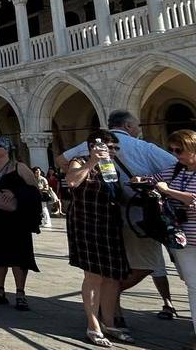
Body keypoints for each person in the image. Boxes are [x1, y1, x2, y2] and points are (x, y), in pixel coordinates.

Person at [60, 110, 180, 325]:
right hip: (133, 218)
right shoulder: (142, 147)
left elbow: (61, 159)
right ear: (128, 126)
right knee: (143, 265)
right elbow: (176, 166)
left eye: (115, 148)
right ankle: (105, 306)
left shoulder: (97, 147)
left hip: (112, 217)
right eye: (137, 126)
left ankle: (112, 311)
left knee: (115, 270)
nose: (113, 151)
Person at [65, 128, 131, 347]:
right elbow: (72, 182)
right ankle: (93, 326)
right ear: (93, 146)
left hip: (110, 224)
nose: (113, 151)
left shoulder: (111, 165)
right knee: (93, 276)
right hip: (87, 224)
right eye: (109, 147)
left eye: (115, 148)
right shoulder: (79, 161)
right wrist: (92, 161)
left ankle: (109, 323)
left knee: (112, 276)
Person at [0, 136, 39, 310]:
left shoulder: (19, 167)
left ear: (6, 149)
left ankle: (20, 293)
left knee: (19, 254)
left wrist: (15, 192)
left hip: (16, 218)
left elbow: (34, 189)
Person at [154, 128, 196, 344]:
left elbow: (193, 200)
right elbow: (153, 181)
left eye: (179, 150)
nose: (174, 154)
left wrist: (168, 191)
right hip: (183, 239)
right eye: (171, 150)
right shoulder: (175, 170)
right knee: (193, 285)